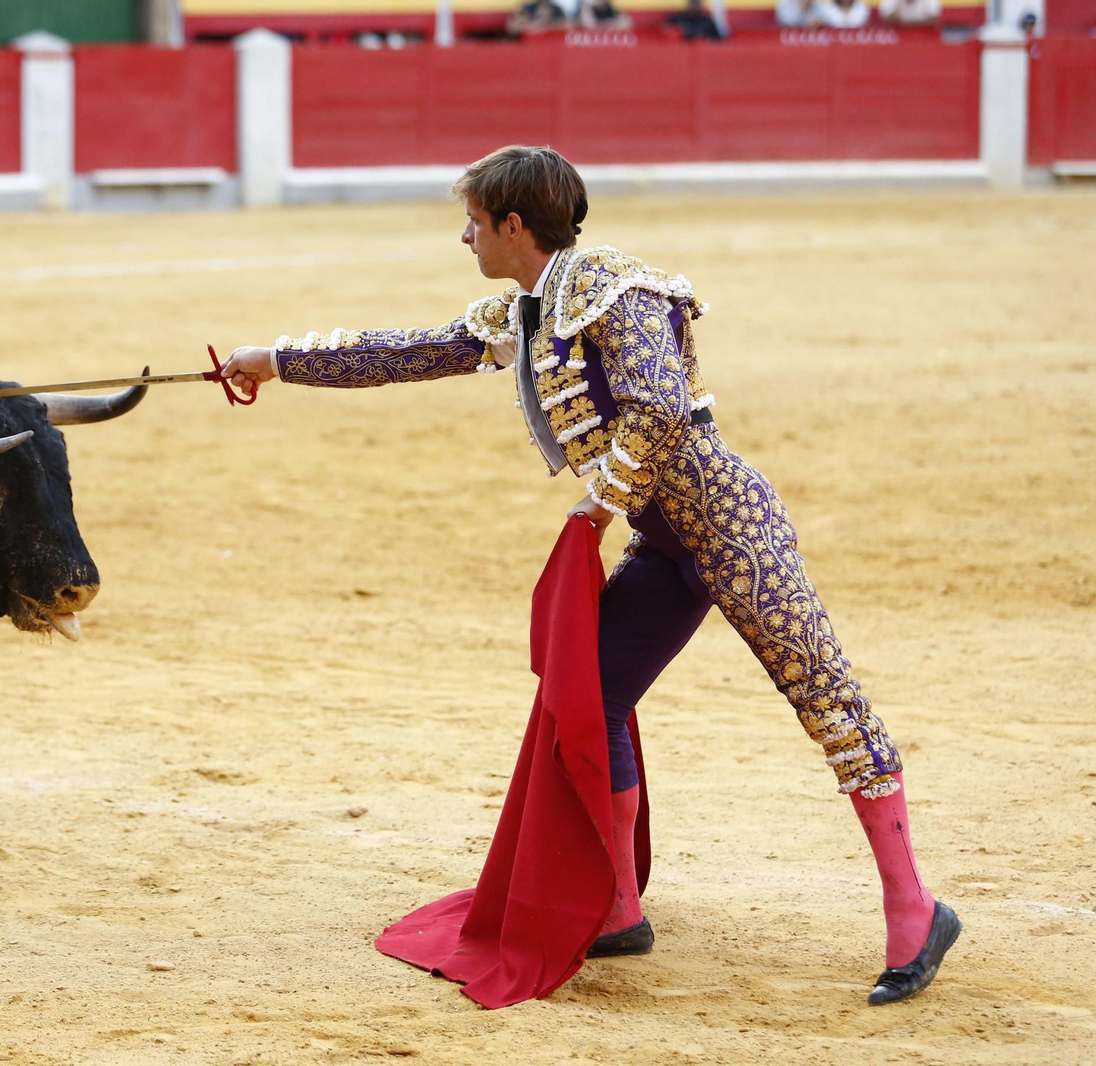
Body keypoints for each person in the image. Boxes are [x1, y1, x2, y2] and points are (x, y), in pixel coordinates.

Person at [218, 145, 960, 1006]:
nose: (464, 238)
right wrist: (274, 358)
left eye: (473, 223)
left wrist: (598, 505)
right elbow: (418, 350)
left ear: (514, 225)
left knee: (824, 697)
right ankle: (614, 906)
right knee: (591, 697)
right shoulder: (533, 307)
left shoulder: (613, 285)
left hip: (729, 523)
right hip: (666, 539)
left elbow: (659, 406)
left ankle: (915, 908)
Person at [508, 0, 576, 36]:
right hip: (529, 47)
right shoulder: (527, 9)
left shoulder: (557, 10)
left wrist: (549, 23)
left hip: (552, 47)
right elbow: (513, 28)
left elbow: (568, 26)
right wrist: (540, 22)